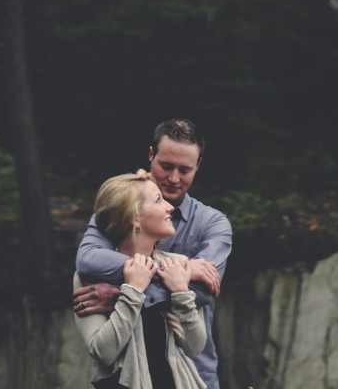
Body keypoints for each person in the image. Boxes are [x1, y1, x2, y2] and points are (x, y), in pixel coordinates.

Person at [75, 119, 232, 389]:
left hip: (194, 373)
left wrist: (120, 294)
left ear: (198, 166)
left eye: (184, 170)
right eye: (166, 166)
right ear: (151, 155)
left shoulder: (212, 223)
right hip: (129, 376)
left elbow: (205, 292)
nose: (173, 178)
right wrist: (174, 275)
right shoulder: (116, 211)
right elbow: (88, 259)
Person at [73, 169, 207, 389]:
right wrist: (133, 290)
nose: (170, 207)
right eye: (158, 200)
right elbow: (103, 353)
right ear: (134, 216)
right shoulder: (90, 277)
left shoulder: (179, 266)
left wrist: (182, 293)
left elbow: (195, 347)